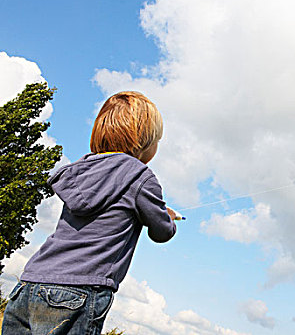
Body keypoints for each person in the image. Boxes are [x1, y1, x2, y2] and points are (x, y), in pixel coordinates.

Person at [2, 91, 181, 334]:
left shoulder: (82, 170)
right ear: (145, 142)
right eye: (157, 140)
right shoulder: (140, 176)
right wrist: (167, 217)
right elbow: (161, 232)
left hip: (29, 283)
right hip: (79, 291)